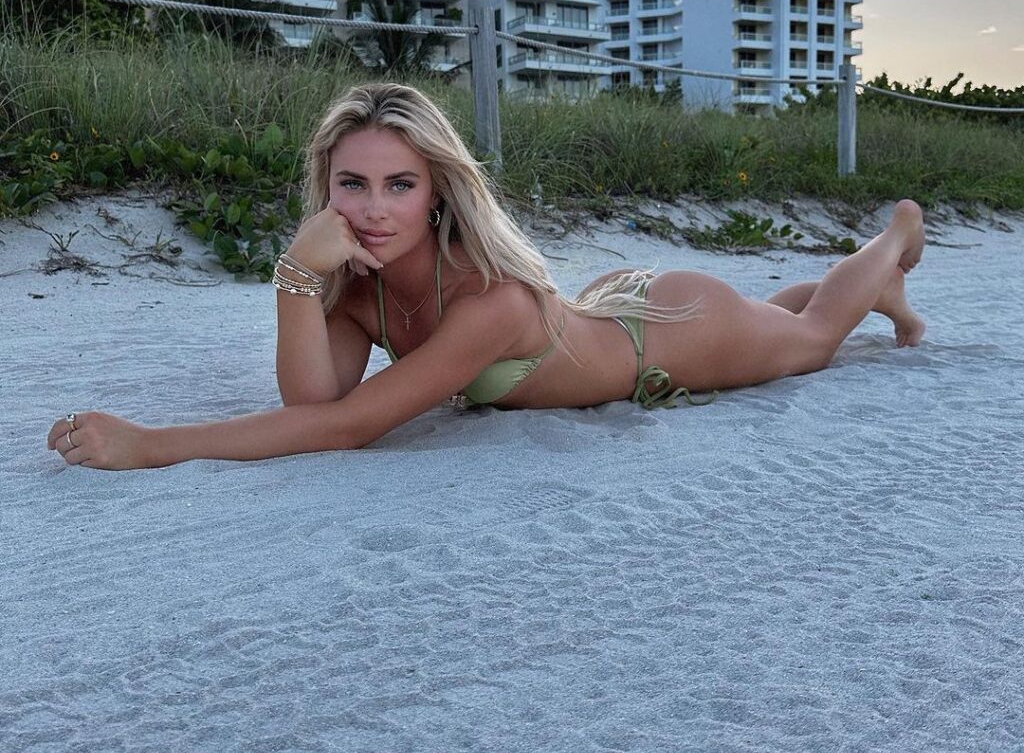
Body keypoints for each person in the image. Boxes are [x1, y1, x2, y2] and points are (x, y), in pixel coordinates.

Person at [48, 83, 926, 471]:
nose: (373, 210)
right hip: (600, 312)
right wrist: (296, 279)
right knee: (781, 327)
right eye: (351, 184)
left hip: (665, 332)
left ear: (437, 193)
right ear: (326, 188)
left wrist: (152, 444)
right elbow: (311, 404)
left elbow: (349, 430)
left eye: (400, 185)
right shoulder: (354, 290)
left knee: (812, 343)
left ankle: (891, 246)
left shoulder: (490, 302)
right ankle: (849, 291)